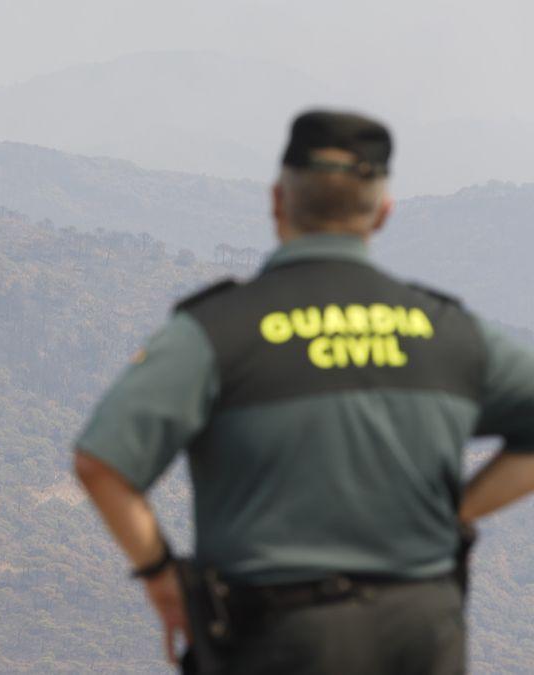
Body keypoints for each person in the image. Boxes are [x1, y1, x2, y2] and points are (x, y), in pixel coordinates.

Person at [72, 109, 534, 674]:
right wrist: (455, 512)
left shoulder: (217, 332)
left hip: (278, 639)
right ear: (383, 213)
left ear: (277, 202)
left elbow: (101, 464)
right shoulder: (448, 332)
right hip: (421, 630)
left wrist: (161, 578)